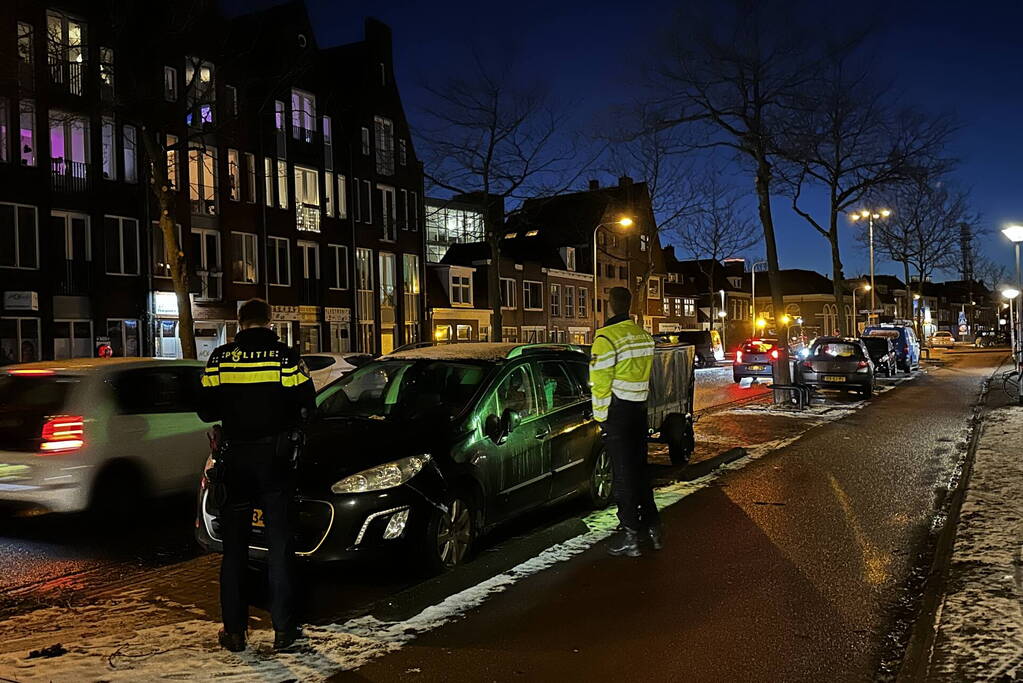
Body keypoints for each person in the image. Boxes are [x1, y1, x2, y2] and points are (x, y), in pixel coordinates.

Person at [198, 299, 316, 652]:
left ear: (239, 323)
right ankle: (283, 630)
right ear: (269, 321)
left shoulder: (220, 358)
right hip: (275, 461)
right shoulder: (284, 357)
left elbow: (205, 409)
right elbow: (308, 405)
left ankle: (234, 632)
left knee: (233, 550)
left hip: (234, 459)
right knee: (279, 547)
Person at [590, 286, 660, 557]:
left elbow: (600, 381)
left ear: (609, 305)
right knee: (640, 470)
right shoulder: (642, 336)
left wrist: (600, 418)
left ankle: (630, 533)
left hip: (617, 413)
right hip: (638, 410)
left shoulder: (606, 338)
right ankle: (653, 527)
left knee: (622, 474)